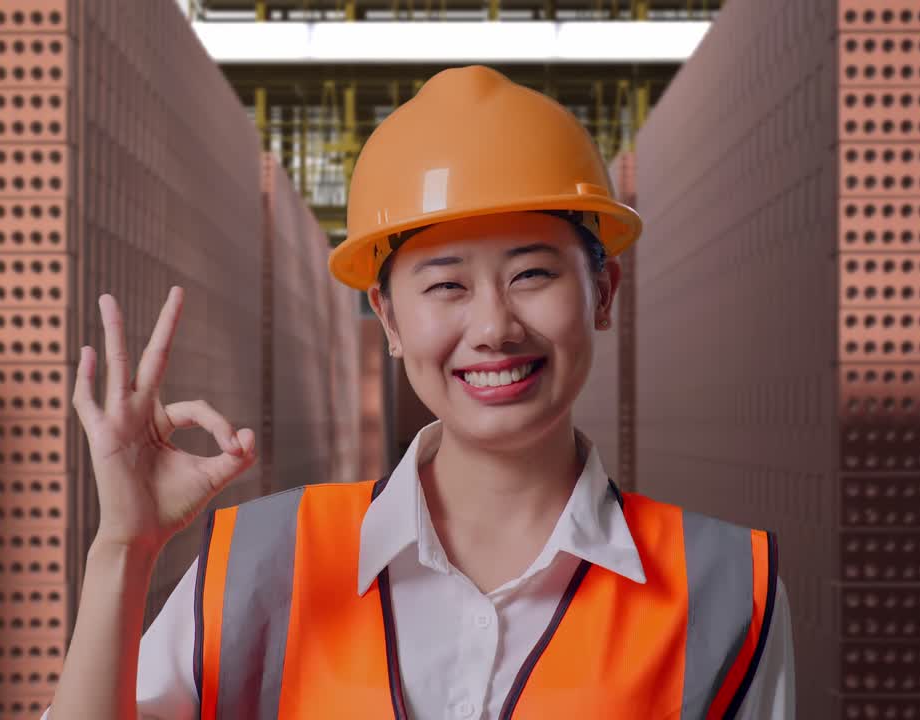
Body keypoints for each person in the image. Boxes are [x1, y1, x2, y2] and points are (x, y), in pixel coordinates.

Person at [42, 64, 794, 720]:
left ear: (602, 290)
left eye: (532, 274)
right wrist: (123, 549)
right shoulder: (260, 564)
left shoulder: (728, 589)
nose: (494, 327)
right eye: (447, 286)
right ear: (389, 318)